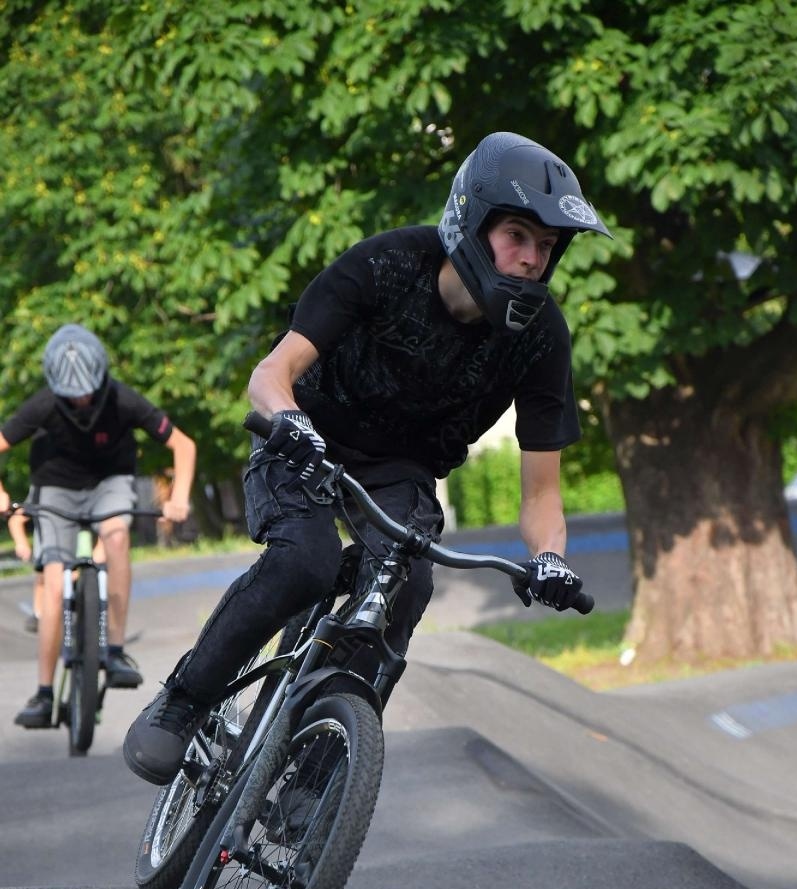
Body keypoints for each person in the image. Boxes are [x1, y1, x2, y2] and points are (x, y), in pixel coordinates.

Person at [124, 130, 610, 786]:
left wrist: (550, 557)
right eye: (517, 235)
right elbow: (271, 375)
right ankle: (184, 699)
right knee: (305, 562)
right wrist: (290, 422)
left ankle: (314, 782)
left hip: (400, 469)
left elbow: (542, 494)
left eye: (546, 246)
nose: (531, 259)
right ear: (471, 221)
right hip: (305, 434)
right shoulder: (386, 264)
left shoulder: (541, 338)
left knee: (408, 586)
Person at [0, 323, 197, 729]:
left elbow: (183, 445)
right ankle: (44, 693)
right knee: (54, 582)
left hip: (110, 482)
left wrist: (178, 497)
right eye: (71, 396)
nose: (81, 401)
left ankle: (116, 651)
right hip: (56, 488)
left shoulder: (124, 399)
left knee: (117, 536)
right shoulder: (43, 405)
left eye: (87, 392)